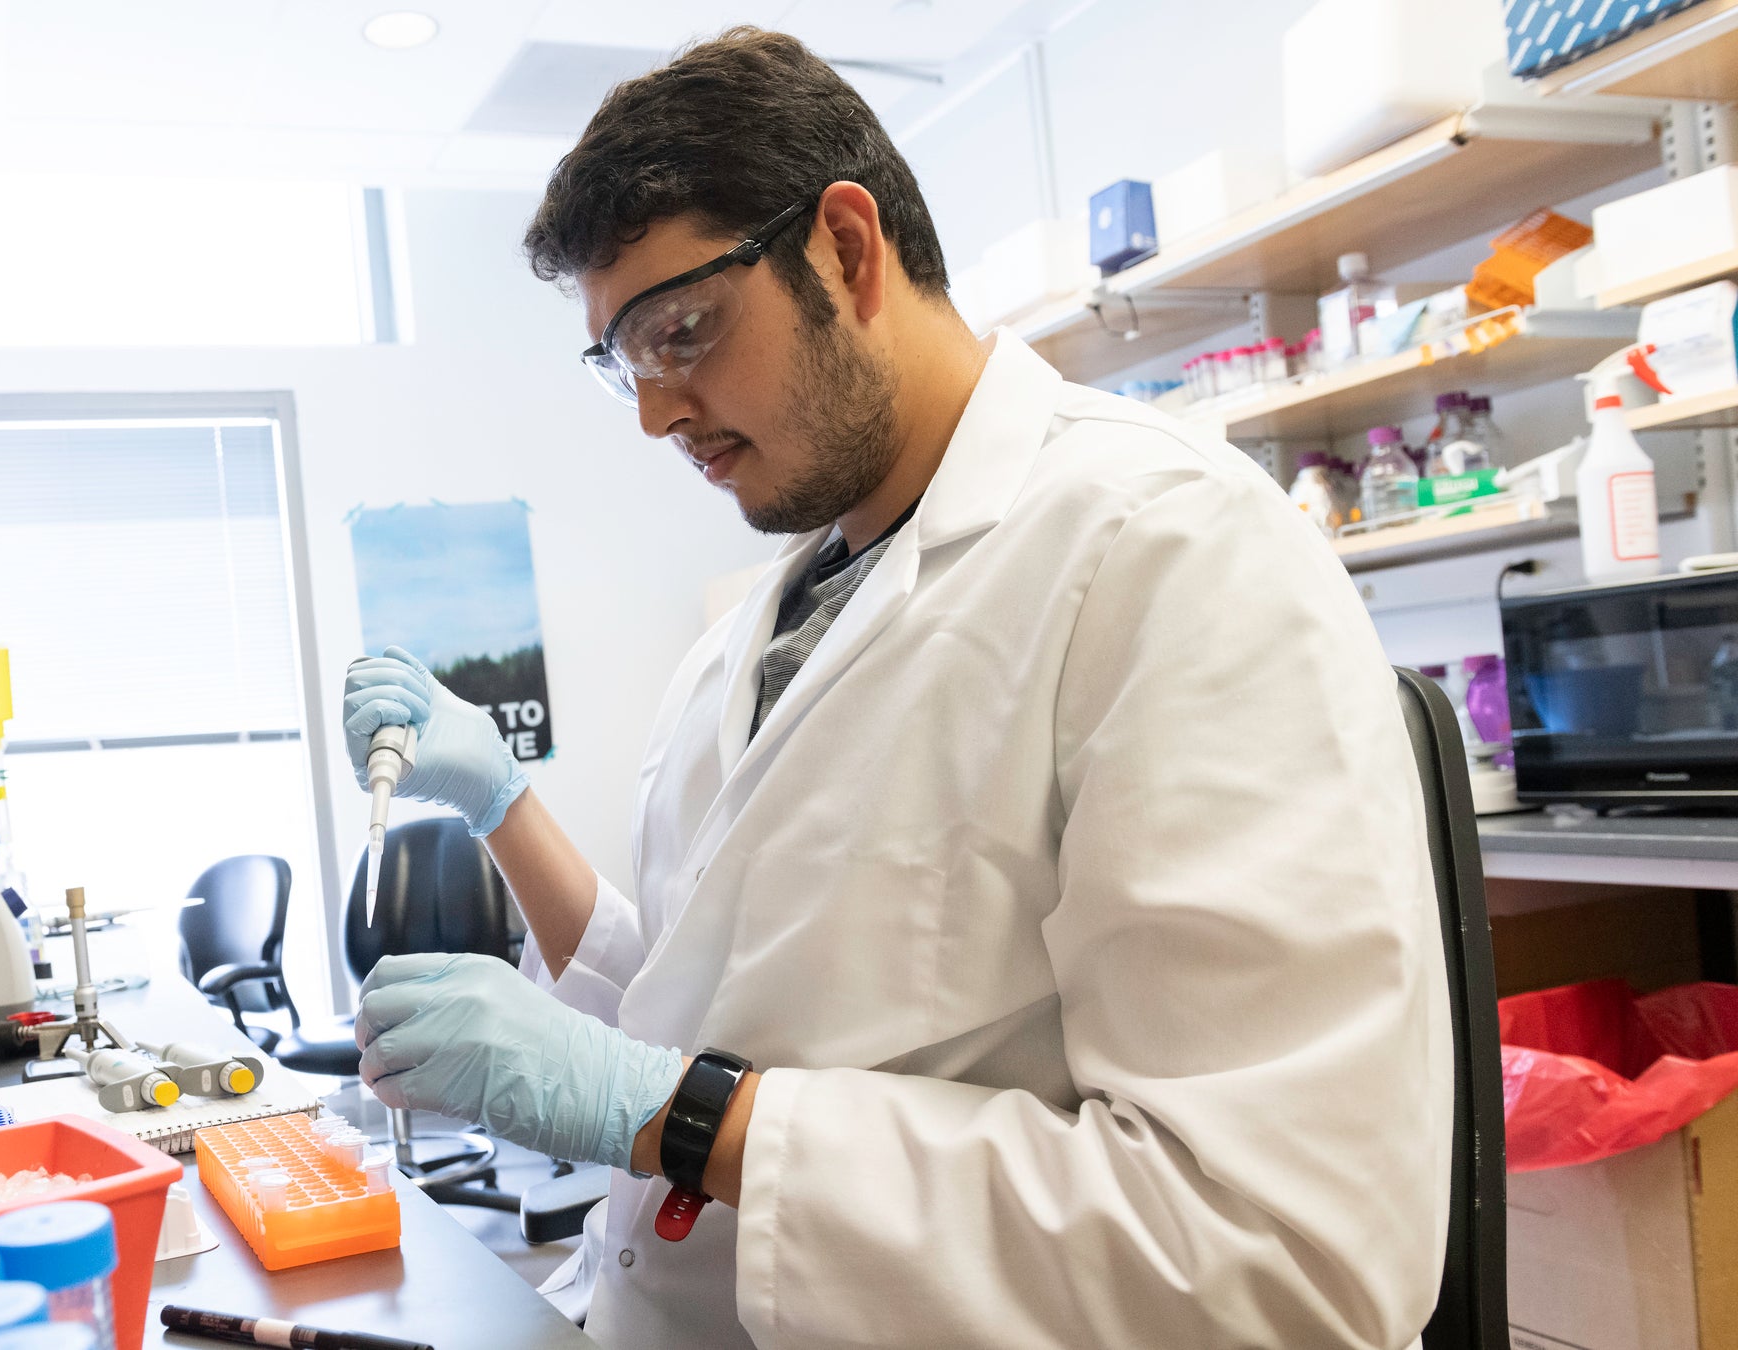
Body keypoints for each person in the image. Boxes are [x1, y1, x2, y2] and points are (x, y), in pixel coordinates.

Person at [341, 28, 1449, 1350]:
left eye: (680, 331)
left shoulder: (1172, 555)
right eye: (621, 363)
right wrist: (507, 805)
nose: (654, 413)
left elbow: (1277, 1259)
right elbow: (694, 1000)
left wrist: (667, 1113)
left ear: (848, 252)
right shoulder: (765, 619)